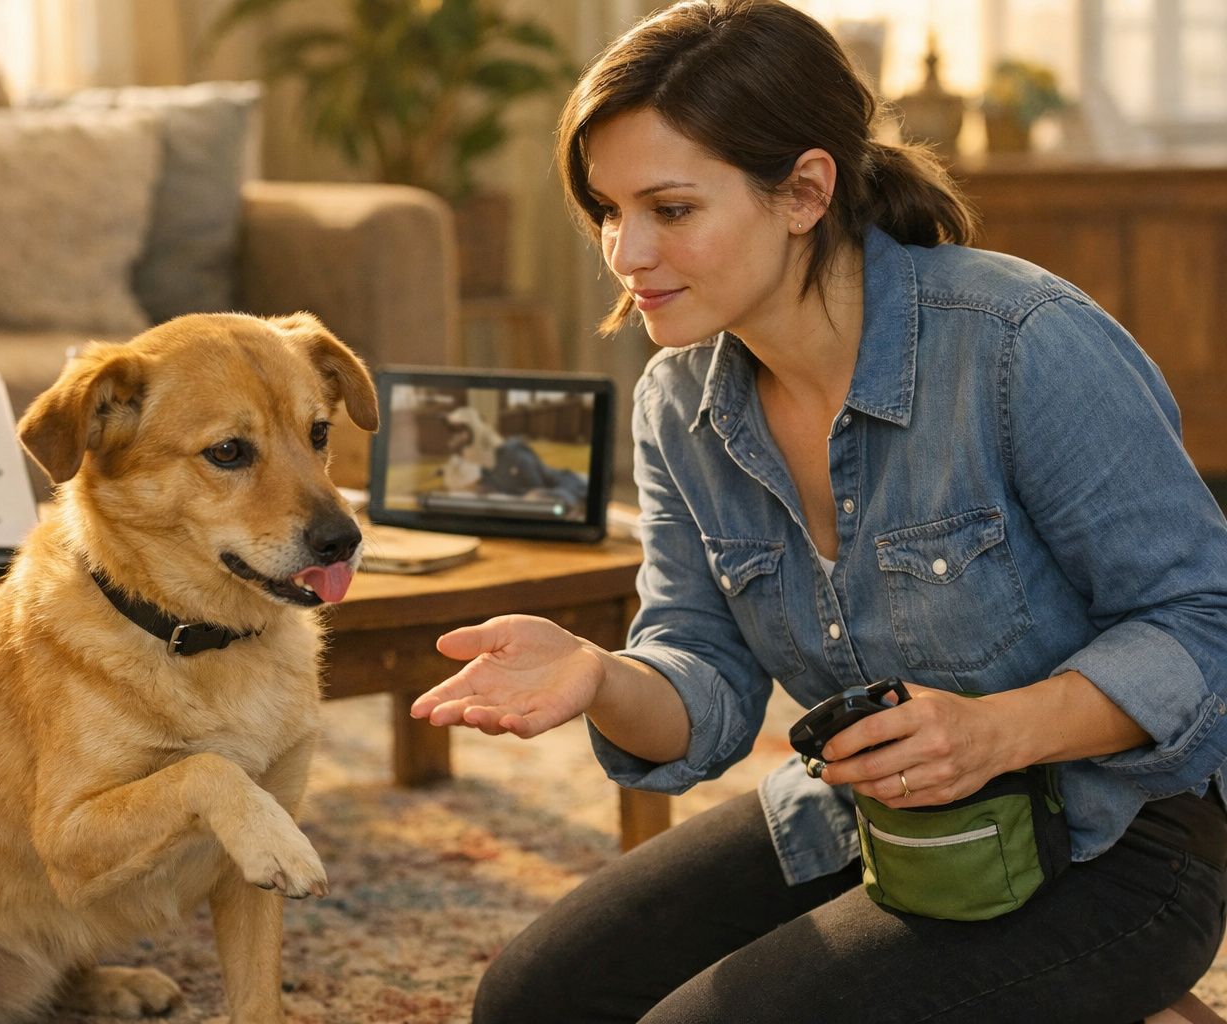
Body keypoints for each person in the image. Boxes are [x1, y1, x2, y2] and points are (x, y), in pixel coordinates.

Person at [408, 2, 1227, 1021]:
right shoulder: (683, 404)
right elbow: (699, 674)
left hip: (1119, 840)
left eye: (669, 209)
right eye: (608, 211)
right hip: (875, 822)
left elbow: (1205, 623)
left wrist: (997, 731)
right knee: (531, 1000)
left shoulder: (1021, 343)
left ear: (803, 191)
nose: (624, 254)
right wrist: (600, 676)